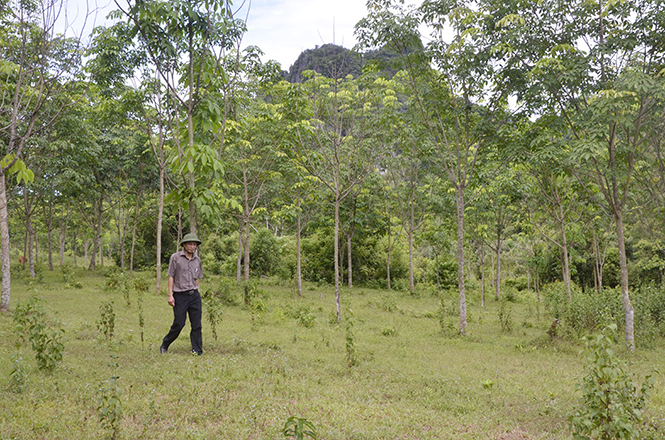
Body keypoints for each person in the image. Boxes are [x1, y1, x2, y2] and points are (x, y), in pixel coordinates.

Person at [160, 232, 204, 355]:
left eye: (194, 244)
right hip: (180, 295)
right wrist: (170, 295)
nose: (192, 246)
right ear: (184, 245)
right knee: (179, 323)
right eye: (190, 244)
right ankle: (165, 344)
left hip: (194, 295)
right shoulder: (175, 258)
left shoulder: (197, 259)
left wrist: (197, 291)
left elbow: (197, 278)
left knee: (197, 324)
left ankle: (197, 350)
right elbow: (171, 277)